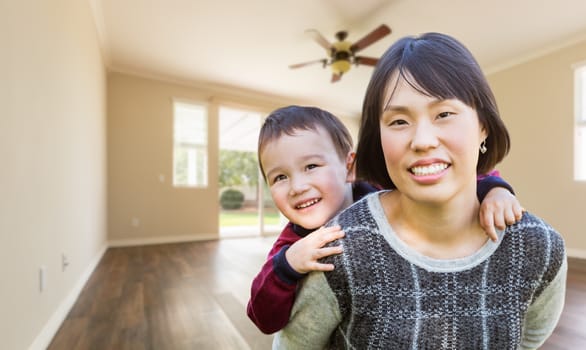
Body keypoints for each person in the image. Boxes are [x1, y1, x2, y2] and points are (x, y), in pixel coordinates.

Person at [273, 33, 567, 349]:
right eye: (399, 121)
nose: (423, 140)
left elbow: (529, 340)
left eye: (443, 114)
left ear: (483, 126)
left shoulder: (539, 248)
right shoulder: (339, 248)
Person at [247, 105, 523, 335]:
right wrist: (287, 265)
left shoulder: (381, 192)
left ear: (349, 166)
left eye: (311, 167)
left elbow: (451, 182)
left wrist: (495, 190)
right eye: (280, 177)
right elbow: (262, 318)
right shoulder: (291, 244)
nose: (297, 186)